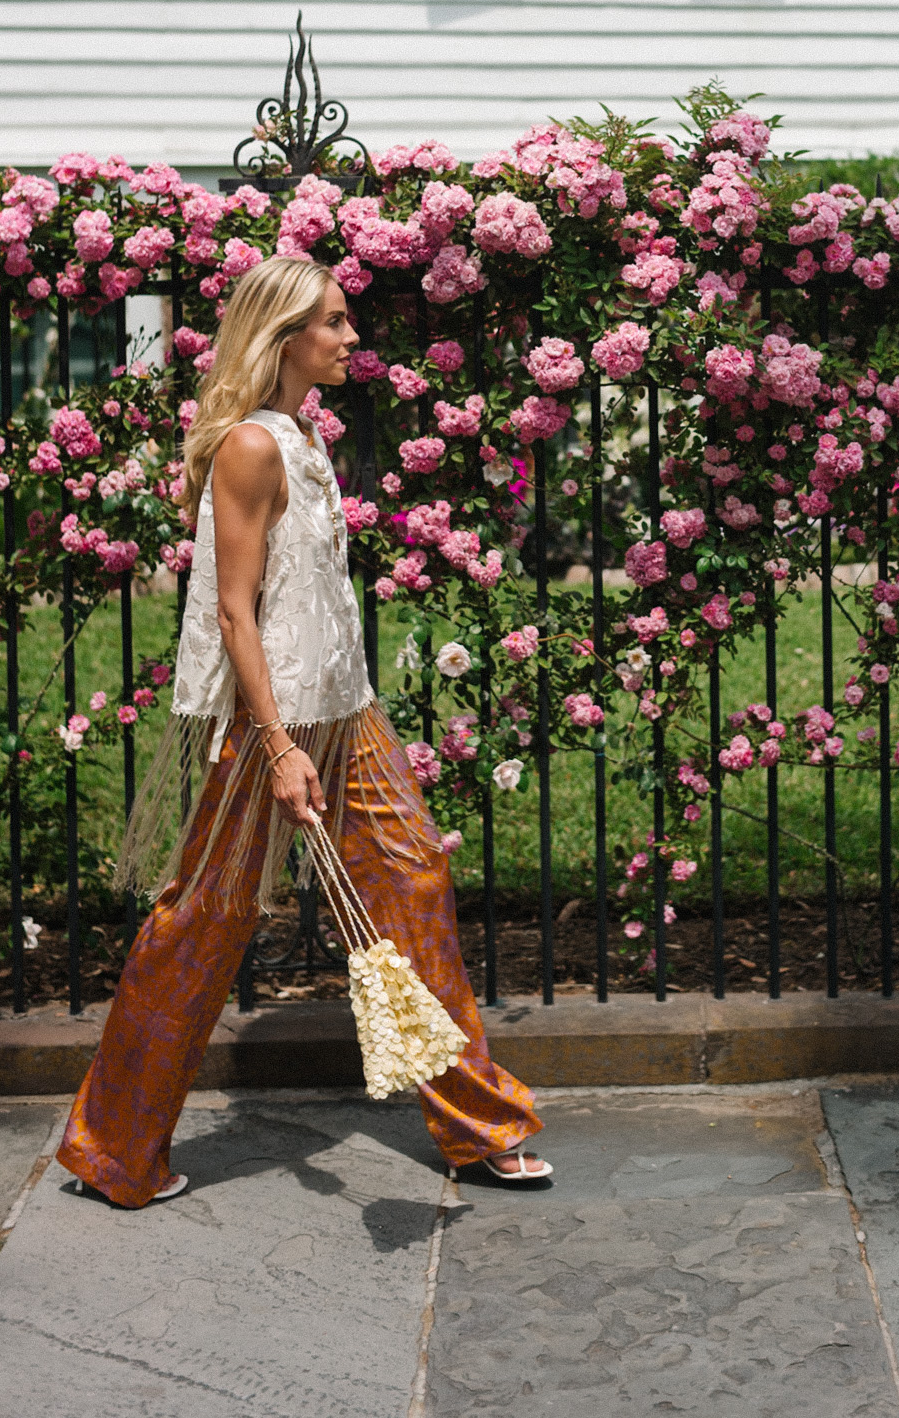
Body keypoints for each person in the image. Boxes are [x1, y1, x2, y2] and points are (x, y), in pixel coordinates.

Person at [57, 256, 550, 1205]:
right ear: (283, 333)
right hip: (268, 728)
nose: (352, 338)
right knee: (201, 924)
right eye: (333, 322)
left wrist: (339, 709)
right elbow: (237, 613)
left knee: (414, 879)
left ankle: (479, 1124)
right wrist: (278, 745)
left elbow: (309, 599)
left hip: (347, 713)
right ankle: (114, 1150)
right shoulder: (250, 446)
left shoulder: (303, 434)